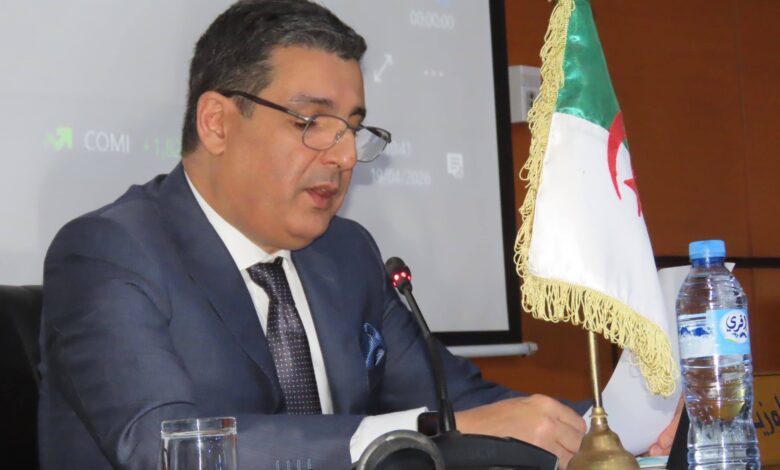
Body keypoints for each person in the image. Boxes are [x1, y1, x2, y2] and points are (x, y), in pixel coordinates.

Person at [38, 1, 675, 468]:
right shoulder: (108, 253)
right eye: (313, 123)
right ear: (217, 123)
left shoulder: (345, 255)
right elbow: (162, 445)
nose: (344, 155)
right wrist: (413, 432)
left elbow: (461, 400)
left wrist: (607, 430)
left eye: (353, 127)